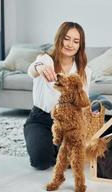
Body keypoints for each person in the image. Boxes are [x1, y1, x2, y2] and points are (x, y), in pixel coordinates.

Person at [24, 22, 92, 170]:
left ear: (80, 45)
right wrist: (40, 67)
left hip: (67, 123)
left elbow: (83, 103)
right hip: (41, 118)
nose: (70, 44)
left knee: (71, 162)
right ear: (59, 38)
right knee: (41, 162)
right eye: (66, 39)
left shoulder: (84, 70)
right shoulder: (46, 59)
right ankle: (39, 142)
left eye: (76, 41)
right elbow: (31, 70)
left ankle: (55, 148)